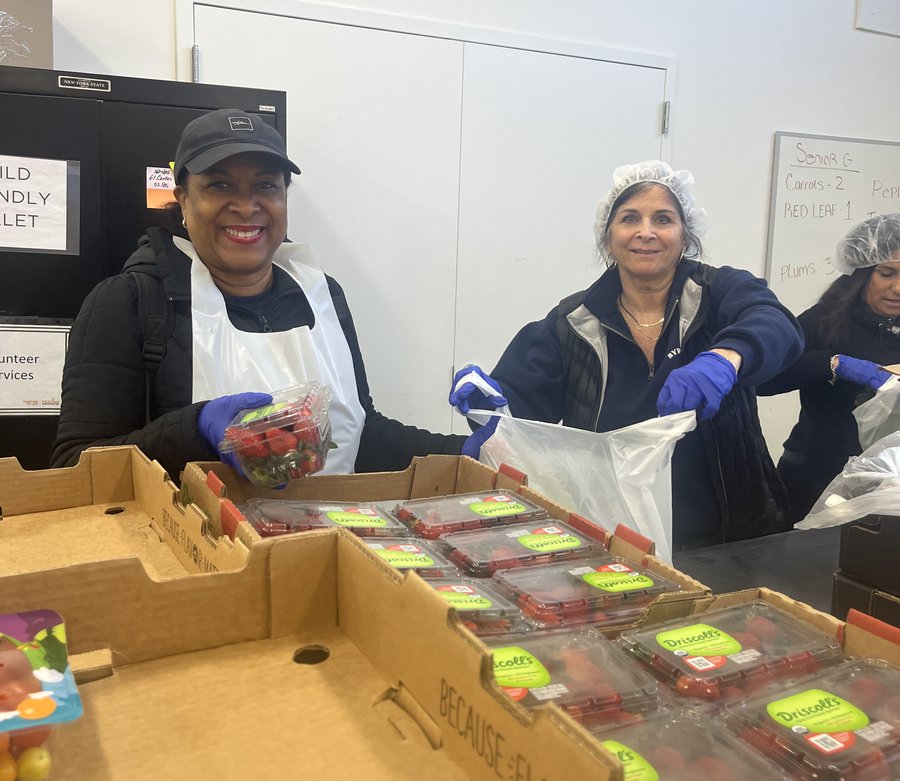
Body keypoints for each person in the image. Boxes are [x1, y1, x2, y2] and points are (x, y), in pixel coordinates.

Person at [52, 109, 464, 479]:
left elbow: (361, 432)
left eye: (266, 186)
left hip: (321, 544)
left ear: (284, 198)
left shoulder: (322, 296)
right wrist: (195, 429)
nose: (246, 206)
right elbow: (73, 465)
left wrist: (466, 452)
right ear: (182, 199)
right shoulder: (129, 302)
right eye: (219, 185)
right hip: (196, 554)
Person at [450, 162, 804, 551]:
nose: (646, 232)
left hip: (733, 533)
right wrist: (494, 411)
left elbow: (776, 323)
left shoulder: (719, 292)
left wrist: (726, 356)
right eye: (630, 218)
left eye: (663, 219)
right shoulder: (572, 323)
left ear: (685, 237)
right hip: (613, 536)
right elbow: (522, 405)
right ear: (609, 238)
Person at [758, 214, 900, 524]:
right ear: (861, 273)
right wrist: (832, 363)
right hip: (814, 471)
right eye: (886, 273)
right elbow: (763, 380)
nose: (898, 288)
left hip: (888, 479)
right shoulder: (826, 320)